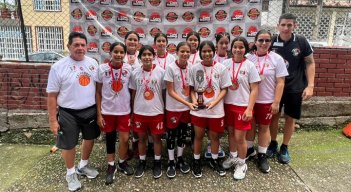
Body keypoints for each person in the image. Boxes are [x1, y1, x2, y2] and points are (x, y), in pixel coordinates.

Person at [47, 32, 100, 191]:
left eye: (83, 45)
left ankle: (83, 166)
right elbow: (51, 96)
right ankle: (70, 173)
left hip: (89, 110)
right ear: (68, 46)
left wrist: (99, 112)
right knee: (68, 144)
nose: (80, 48)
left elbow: (98, 89)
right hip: (68, 113)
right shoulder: (58, 67)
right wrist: (52, 120)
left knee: (90, 138)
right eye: (76, 45)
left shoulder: (93, 63)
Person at [268, 13, 315, 164]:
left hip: (295, 87)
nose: (286, 28)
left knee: (290, 118)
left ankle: (285, 147)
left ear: (295, 26)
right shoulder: (272, 41)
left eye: (289, 25)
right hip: (275, 88)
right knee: (273, 116)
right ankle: (273, 143)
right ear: (278, 26)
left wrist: (310, 85)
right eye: (283, 25)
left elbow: (310, 62)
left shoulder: (301, 41)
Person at [245, 29, 289, 173]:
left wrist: (276, 102)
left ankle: (262, 155)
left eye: (267, 41)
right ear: (255, 42)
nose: (264, 43)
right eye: (261, 40)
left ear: (271, 42)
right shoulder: (248, 58)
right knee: (250, 126)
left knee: (264, 128)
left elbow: (281, 82)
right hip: (250, 101)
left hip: (267, 101)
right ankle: (250, 149)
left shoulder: (277, 59)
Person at [189, 40, 231, 178]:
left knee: (214, 137)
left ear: (214, 52)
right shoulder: (194, 68)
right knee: (198, 136)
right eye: (204, 51)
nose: (207, 53)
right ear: (200, 52)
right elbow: (191, 89)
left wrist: (215, 102)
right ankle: (196, 161)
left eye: (209, 51)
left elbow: (224, 89)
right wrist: (194, 100)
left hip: (216, 110)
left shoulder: (221, 68)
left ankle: (214, 160)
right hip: (199, 110)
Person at [221, 37, 260, 180]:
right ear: (231, 48)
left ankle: (242, 163)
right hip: (228, 105)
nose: (238, 50)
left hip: (242, 106)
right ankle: (233, 156)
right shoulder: (225, 63)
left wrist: (250, 109)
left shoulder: (250, 65)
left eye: (241, 47)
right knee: (230, 133)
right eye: (235, 47)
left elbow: (255, 89)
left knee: (240, 137)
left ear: (246, 49)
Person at [96, 42, 134, 185]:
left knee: (124, 139)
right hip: (107, 111)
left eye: (121, 52)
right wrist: (99, 114)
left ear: (124, 54)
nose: (118, 55)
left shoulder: (129, 69)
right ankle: (111, 165)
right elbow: (98, 92)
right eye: (115, 52)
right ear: (110, 53)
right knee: (110, 139)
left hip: (124, 111)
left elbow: (132, 91)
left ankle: (122, 162)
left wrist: (132, 112)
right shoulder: (102, 69)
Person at [129, 45, 166, 179]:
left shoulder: (161, 72)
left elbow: (163, 92)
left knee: (156, 138)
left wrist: (165, 110)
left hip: (156, 111)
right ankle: (142, 162)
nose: (147, 57)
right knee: (141, 139)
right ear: (140, 58)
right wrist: (132, 111)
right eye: (144, 55)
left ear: (154, 57)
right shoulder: (135, 73)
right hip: (140, 111)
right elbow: (133, 93)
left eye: (149, 54)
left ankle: (157, 162)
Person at [164, 42, 194, 178]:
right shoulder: (170, 68)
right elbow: (170, 91)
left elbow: (192, 88)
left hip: (186, 108)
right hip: (173, 108)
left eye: (187, 52)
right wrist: (187, 103)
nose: (185, 54)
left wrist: (192, 102)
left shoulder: (192, 67)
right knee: (171, 135)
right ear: (176, 52)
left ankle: (180, 158)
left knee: (183, 134)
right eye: (182, 51)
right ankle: (171, 161)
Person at [204, 32, 231, 159]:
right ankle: (211, 143)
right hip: (214, 97)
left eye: (226, 43)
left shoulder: (233, 57)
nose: (224, 45)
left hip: (230, 97)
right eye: (221, 43)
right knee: (213, 122)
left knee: (223, 124)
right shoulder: (211, 58)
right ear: (216, 44)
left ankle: (218, 144)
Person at [123, 31, 141, 159]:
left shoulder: (142, 55)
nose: (132, 42)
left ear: (138, 43)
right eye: (130, 39)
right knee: (125, 121)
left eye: (135, 40)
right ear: (125, 41)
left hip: (138, 93)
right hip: (122, 93)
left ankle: (136, 145)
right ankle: (125, 147)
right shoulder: (119, 54)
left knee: (135, 120)